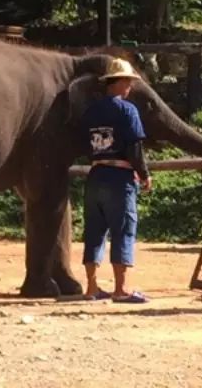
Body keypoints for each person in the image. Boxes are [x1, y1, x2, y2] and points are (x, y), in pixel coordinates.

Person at [81, 58, 152, 303]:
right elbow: (135, 147)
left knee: (94, 230)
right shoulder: (127, 110)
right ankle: (121, 289)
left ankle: (91, 287)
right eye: (129, 82)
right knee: (123, 228)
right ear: (119, 82)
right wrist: (144, 174)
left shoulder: (91, 111)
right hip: (119, 177)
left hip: (95, 174)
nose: (130, 87)